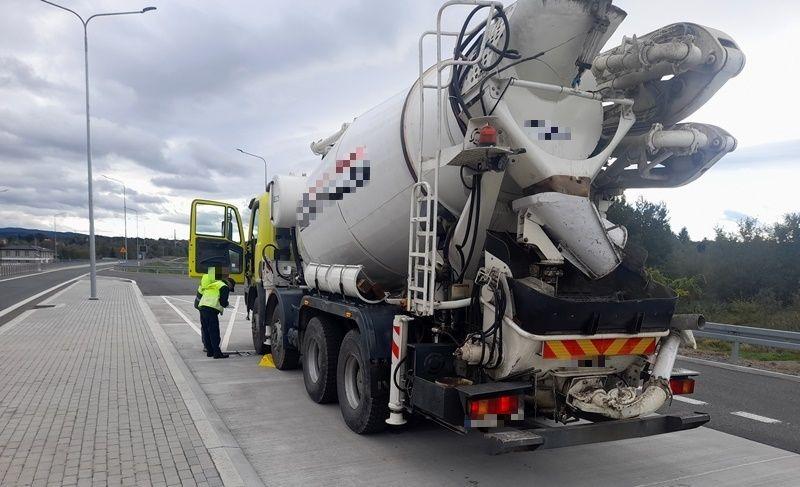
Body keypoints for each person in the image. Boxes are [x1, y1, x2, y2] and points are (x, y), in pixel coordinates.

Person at [194, 266, 234, 359]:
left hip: (202, 307)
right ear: (229, 284)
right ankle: (217, 353)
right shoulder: (224, 287)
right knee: (214, 331)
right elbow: (223, 302)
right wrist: (227, 304)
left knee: (206, 330)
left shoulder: (213, 284)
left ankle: (210, 352)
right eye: (231, 288)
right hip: (210, 309)